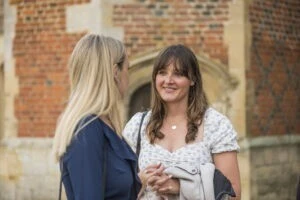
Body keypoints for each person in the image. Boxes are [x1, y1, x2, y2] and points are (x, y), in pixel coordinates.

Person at [123, 44, 241, 199]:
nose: (168, 80)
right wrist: (141, 182)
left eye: (178, 74)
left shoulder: (215, 125)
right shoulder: (137, 125)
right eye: (162, 73)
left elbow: (233, 193)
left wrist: (183, 187)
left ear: (192, 80)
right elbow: (116, 189)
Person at [52, 33, 141, 200]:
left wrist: (139, 181)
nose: (127, 76)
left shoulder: (104, 124)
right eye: (127, 69)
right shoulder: (87, 130)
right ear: (115, 72)